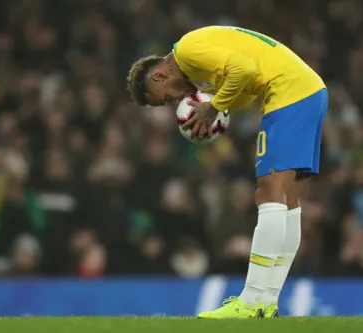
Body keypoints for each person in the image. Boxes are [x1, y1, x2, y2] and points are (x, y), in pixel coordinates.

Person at [126, 26, 328, 319]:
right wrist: (219, 107)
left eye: (166, 98)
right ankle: (267, 301)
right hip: (308, 90)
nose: (174, 103)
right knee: (289, 202)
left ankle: (250, 301)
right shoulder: (199, 67)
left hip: (288, 94)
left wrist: (214, 107)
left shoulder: (187, 52)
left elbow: (244, 69)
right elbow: (247, 83)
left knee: (269, 192)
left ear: (159, 75)